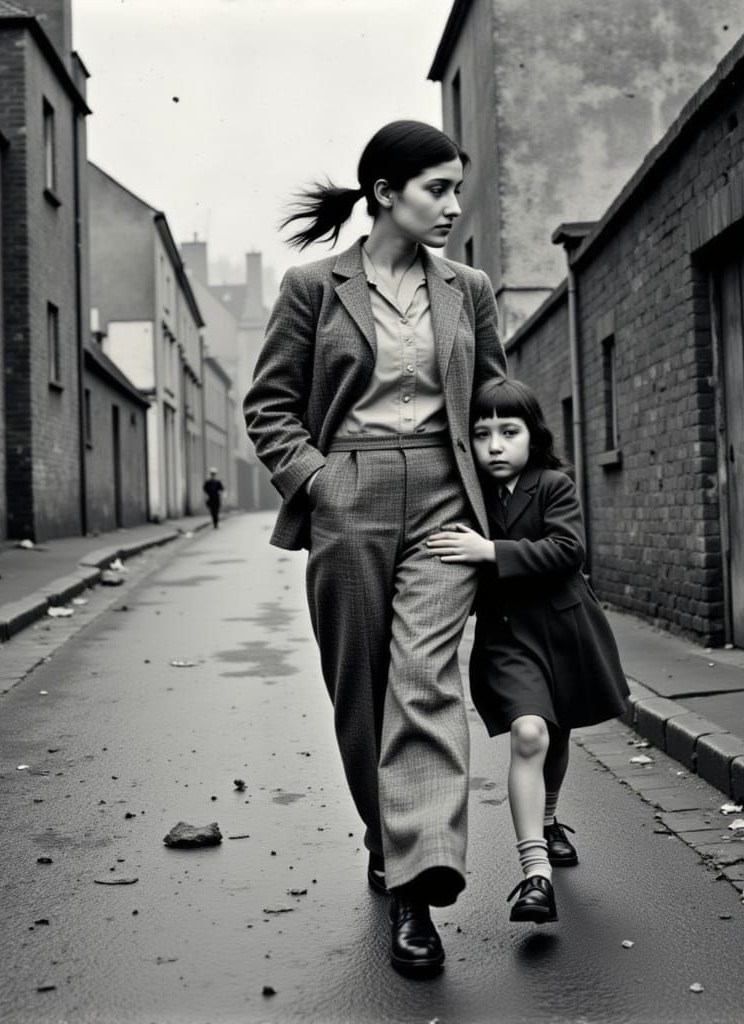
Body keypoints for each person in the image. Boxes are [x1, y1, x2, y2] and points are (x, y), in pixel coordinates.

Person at [244, 121, 506, 975]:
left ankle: (417, 886)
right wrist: (318, 483)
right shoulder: (315, 286)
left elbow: (497, 399)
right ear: (386, 194)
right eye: (438, 189)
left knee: (424, 681)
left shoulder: (468, 287)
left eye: (458, 189)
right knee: (360, 688)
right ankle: (388, 839)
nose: (454, 207)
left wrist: (516, 493)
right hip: (346, 493)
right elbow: (270, 407)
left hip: (444, 498)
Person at [426, 377, 629, 924]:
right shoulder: (467, 496)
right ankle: (534, 872)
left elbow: (567, 551)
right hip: (507, 638)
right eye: (483, 433)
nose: (495, 445)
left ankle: (550, 818)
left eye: (508, 432)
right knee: (530, 732)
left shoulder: (553, 485)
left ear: (531, 437)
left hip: (565, 633)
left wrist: (489, 550)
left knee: (556, 733)